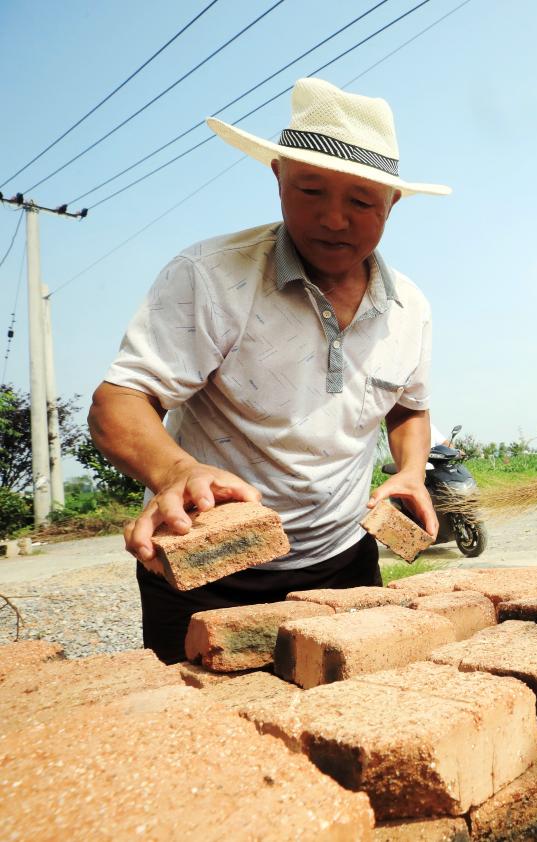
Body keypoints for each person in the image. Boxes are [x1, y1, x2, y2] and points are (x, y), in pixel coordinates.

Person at [88, 78, 450, 663]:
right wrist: (175, 470)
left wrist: (409, 469)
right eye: (310, 190)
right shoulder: (210, 276)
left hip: (344, 563)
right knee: (205, 737)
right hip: (209, 565)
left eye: (361, 201)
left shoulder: (411, 308)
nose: (334, 219)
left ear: (392, 203)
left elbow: (409, 406)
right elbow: (118, 402)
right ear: (278, 176)